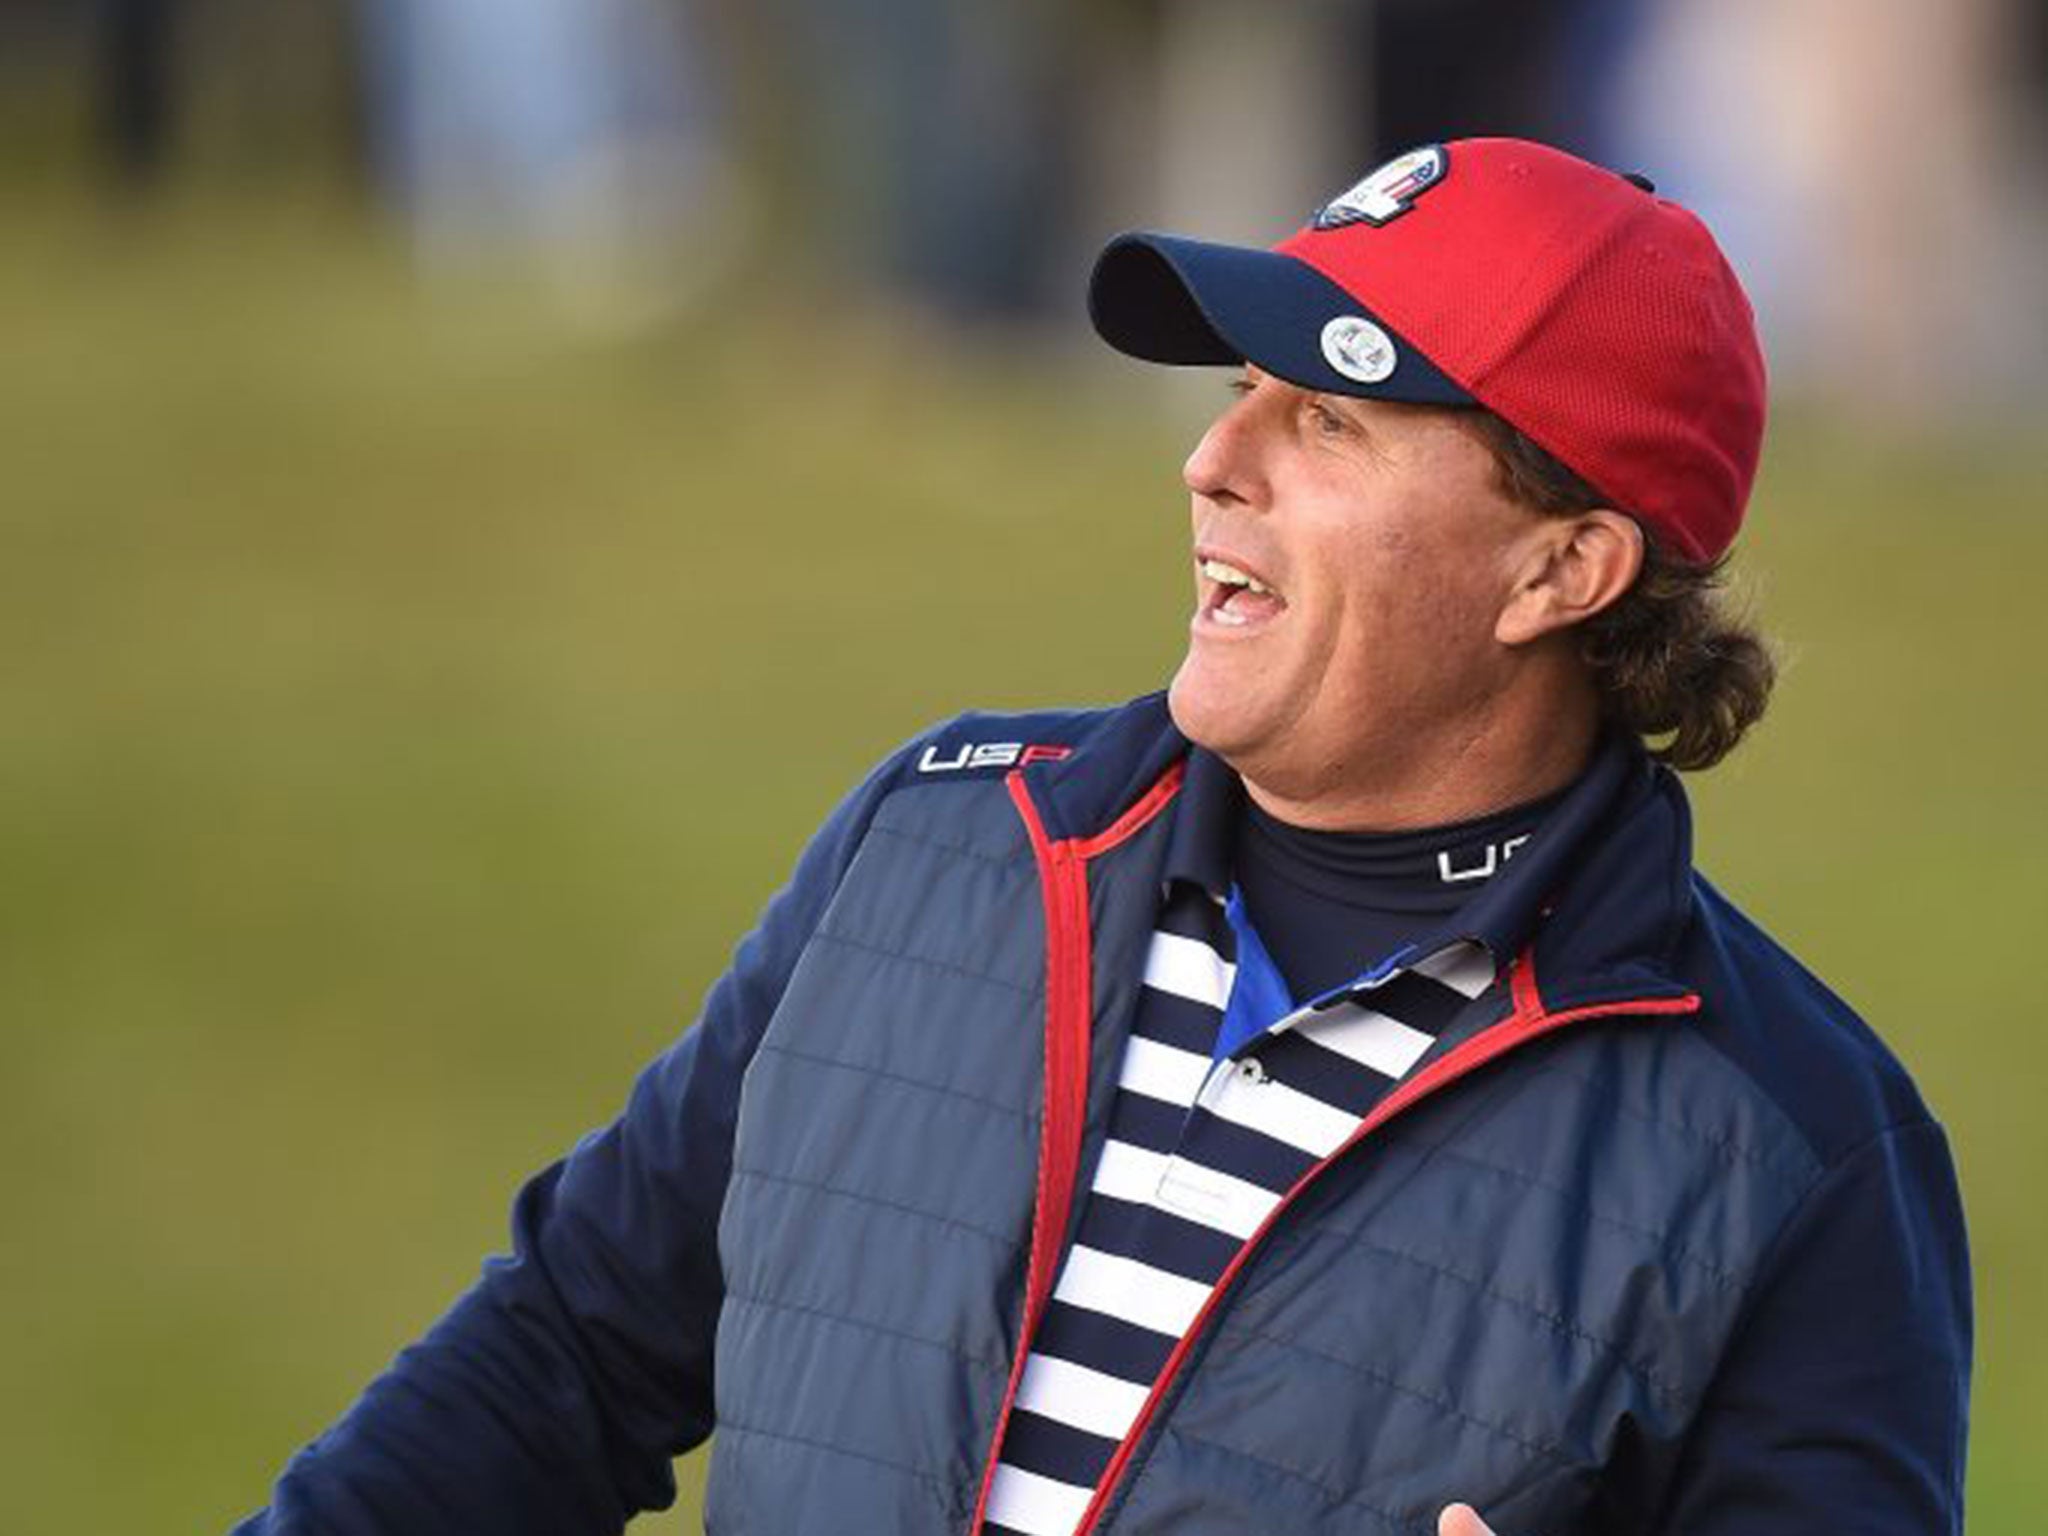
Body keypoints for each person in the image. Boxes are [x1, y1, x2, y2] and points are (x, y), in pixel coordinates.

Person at [232, 138, 1971, 1536]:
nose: (1214, 462)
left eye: (1329, 420)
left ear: (1561, 570)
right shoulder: (940, 844)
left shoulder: (1797, 1149)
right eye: (1238, 393)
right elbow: (568, 1356)